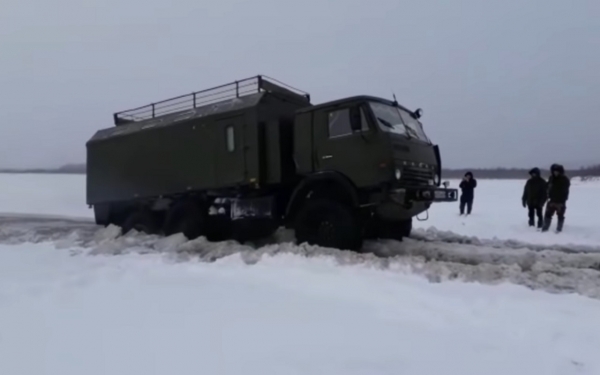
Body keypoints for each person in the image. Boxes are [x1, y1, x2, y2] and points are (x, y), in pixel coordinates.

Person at [541, 163, 570, 232]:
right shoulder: (551, 178)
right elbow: (547, 186)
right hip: (552, 200)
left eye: (557, 171)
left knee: (560, 216)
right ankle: (545, 228)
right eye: (554, 171)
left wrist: (563, 199)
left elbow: (565, 190)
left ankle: (559, 229)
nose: (555, 173)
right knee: (547, 215)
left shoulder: (564, 179)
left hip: (560, 201)